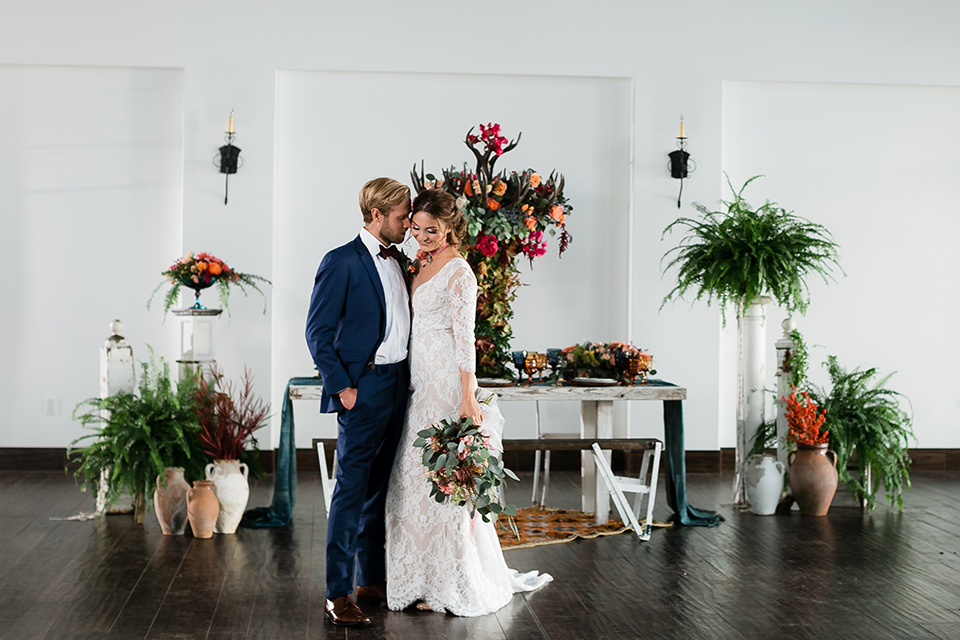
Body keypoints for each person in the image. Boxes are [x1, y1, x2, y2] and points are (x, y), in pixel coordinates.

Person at [384, 188, 552, 617]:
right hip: (417, 384)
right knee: (411, 482)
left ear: (450, 228)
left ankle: (447, 582)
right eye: (416, 228)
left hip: (445, 387)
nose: (421, 235)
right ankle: (415, 579)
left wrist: (466, 397)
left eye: (432, 230)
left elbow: (465, 342)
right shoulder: (420, 263)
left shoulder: (459, 272)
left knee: (442, 481)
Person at [305, 177, 412, 627]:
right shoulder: (341, 261)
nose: (408, 223)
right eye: (402, 216)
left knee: (377, 490)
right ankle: (337, 593)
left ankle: (370, 581)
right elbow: (317, 332)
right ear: (376, 215)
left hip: (399, 386)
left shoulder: (401, 260)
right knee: (350, 492)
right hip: (362, 388)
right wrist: (343, 387)